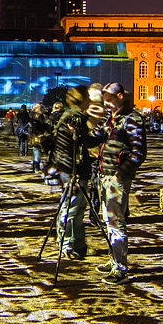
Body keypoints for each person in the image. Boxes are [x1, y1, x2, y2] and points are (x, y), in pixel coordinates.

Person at [90, 83, 147, 284]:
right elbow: (95, 138)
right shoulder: (111, 118)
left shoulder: (132, 119)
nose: (105, 102)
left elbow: (139, 152)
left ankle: (120, 268)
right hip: (105, 175)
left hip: (116, 178)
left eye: (109, 98)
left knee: (116, 221)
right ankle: (113, 259)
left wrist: (120, 175)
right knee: (108, 220)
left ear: (120, 96)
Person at [49, 87, 97, 261]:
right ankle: (68, 243)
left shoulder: (70, 117)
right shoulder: (75, 118)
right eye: (88, 99)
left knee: (76, 209)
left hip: (73, 170)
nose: (90, 102)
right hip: (74, 172)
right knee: (72, 208)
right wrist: (102, 137)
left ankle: (77, 243)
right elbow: (82, 142)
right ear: (81, 99)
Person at [28, 103, 49, 173]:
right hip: (39, 135)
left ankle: (35, 166)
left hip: (32, 135)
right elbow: (43, 125)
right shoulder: (40, 116)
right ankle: (36, 167)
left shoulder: (30, 115)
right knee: (37, 151)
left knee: (35, 151)